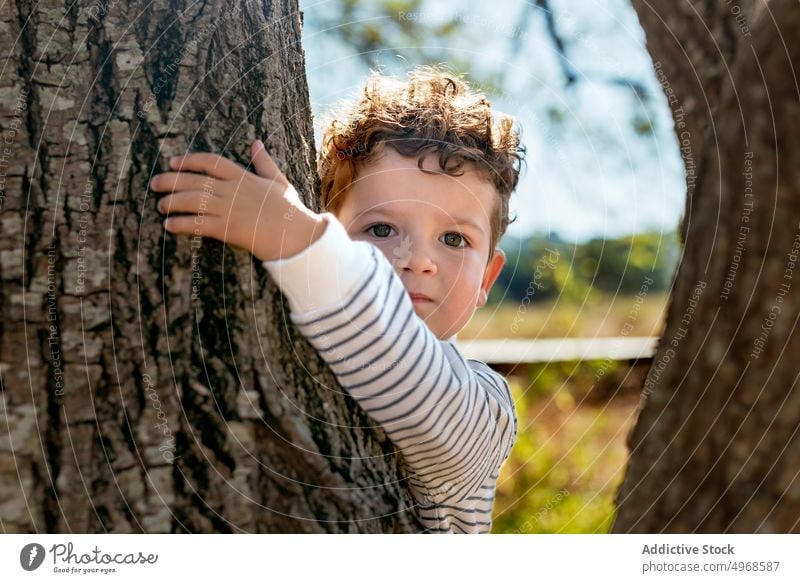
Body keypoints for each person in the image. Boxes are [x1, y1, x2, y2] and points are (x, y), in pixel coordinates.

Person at [150, 65, 525, 533]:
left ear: (487, 276)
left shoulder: (487, 408)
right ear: (332, 226)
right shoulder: (294, 338)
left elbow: (413, 380)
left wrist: (292, 238)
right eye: (381, 229)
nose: (418, 261)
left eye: (454, 239)